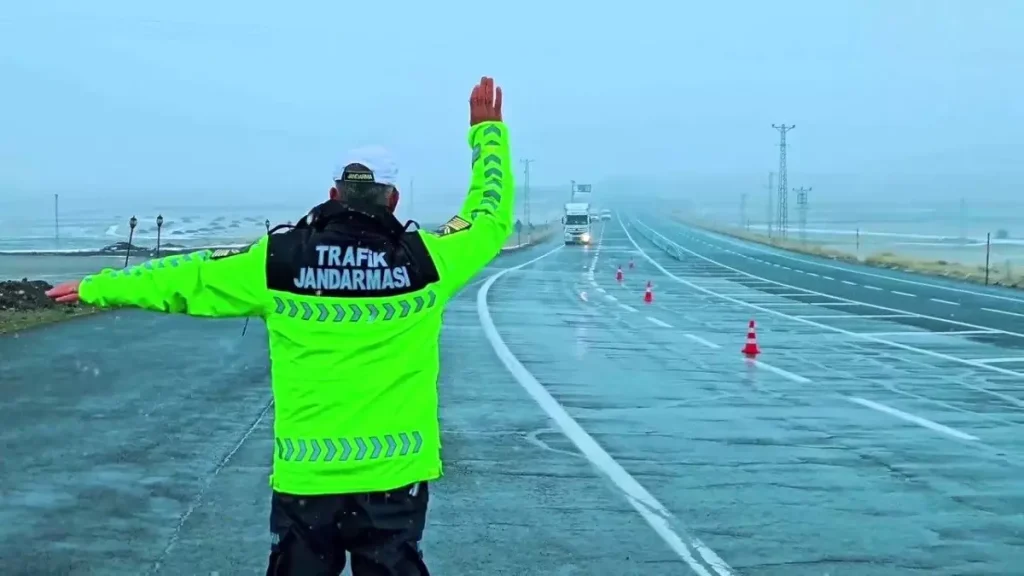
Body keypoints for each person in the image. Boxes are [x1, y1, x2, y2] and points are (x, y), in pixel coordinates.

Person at [46, 76, 512, 575]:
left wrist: (99, 287)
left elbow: (190, 277)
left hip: (307, 483)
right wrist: (488, 136)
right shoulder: (428, 262)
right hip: (395, 479)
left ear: (333, 192)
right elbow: (489, 216)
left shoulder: (278, 260)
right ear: (393, 199)